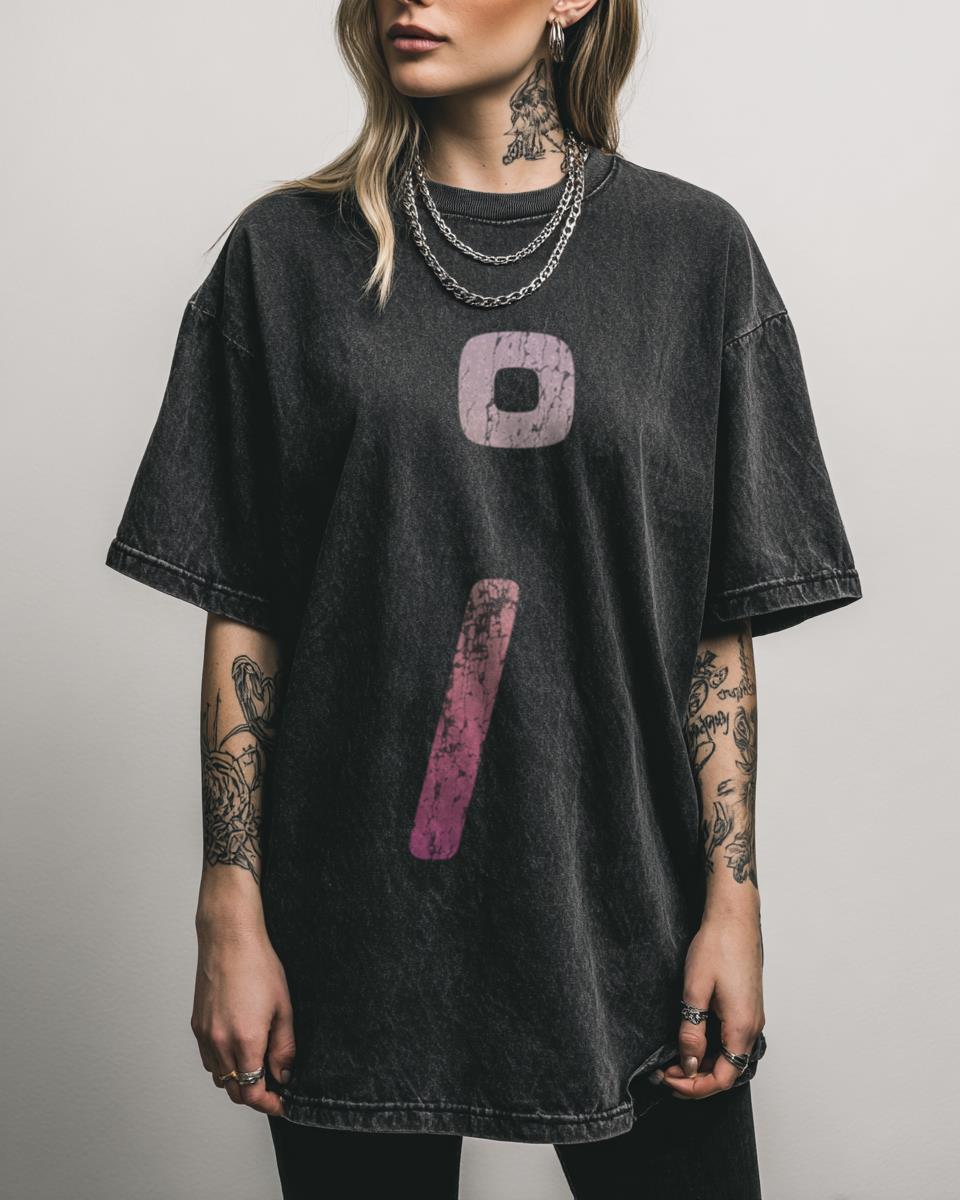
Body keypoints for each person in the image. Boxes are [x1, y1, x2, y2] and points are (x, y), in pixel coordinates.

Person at [104, 1, 863, 1196]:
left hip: (629, 913)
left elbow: (714, 631)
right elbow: (246, 609)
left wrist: (734, 900)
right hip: (354, 921)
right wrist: (229, 904)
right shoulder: (285, 256)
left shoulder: (693, 255)